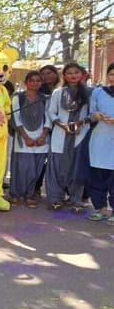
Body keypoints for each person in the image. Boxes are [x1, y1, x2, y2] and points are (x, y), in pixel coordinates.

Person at [46, 63, 90, 212]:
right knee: (56, 168)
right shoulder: (58, 92)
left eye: (76, 72)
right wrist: (63, 125)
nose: (73, 75)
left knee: (76, 169)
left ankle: (76, 200)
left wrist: (81, 123)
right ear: (64, 76)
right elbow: (51, 112)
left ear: (81, 74)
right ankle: (55, 199)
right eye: (69, 73)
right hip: (60, 134)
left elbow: (92, 113)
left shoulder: (89, 93)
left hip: (80, 136)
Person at [8, 72, 50, 208]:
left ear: (41, 83)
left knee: (36, 169)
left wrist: (43, 136)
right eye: (32, 80)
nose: (35, 83)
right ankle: (15, 194)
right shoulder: (18, 98)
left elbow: (48, 118)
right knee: (20, 168)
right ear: (26, 82)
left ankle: (30, 195)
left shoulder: (45, 99)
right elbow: (16, 118)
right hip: (23, 138)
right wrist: (26, 137)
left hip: (41, 139)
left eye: (38, 80)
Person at [87, 62, 114, 223]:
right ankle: (101, 209)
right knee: (98, 178)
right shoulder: (98, 92)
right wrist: (97, 116)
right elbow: (91, 114)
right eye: (112, 74)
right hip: (100, 141)